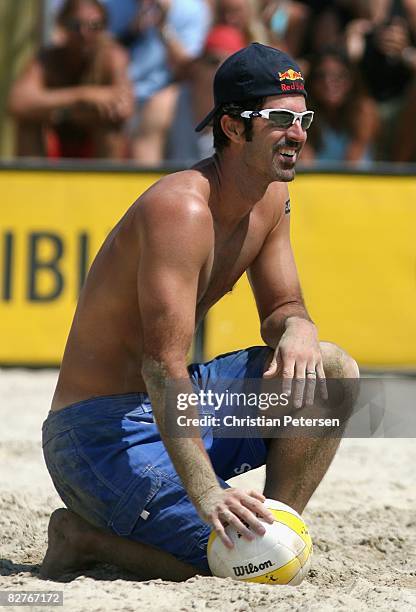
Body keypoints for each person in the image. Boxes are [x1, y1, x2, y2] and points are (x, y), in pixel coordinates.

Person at [40, 43, 359, 582]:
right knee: (237, 564)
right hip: (96, 434)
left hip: (170, 408)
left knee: (331, 371)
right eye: (281, 119)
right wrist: (209, 492)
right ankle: (81, 537)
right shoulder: (181, 208)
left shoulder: (269, 199)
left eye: (303, 118)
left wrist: (300, 327)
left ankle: (275, 528)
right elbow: (162, 366)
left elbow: (283, 307)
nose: (300, 133)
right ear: (233, 128)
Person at [8, 0, 134, 159]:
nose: (84, 33)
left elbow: (124, 109)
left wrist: (61, 109)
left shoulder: (113, 56)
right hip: (56, 143)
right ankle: (30, 181)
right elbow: (18, 103)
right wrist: (83, 96)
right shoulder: (48, 59)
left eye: (94, 26)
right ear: (62, 25)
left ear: (104, 27)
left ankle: (108, 181)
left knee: (110, 129)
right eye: (75, 25)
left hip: (95, 147)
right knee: (27, 125)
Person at [300, 48, 379, 163]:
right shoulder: (304, 113)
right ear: (311, 81)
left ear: (351, 80)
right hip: (315, 179)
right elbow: (306, 164)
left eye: (339, 76)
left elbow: (351, 165)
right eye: (321, 75)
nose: (329, 82)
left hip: (355, 179)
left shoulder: (364, 111)